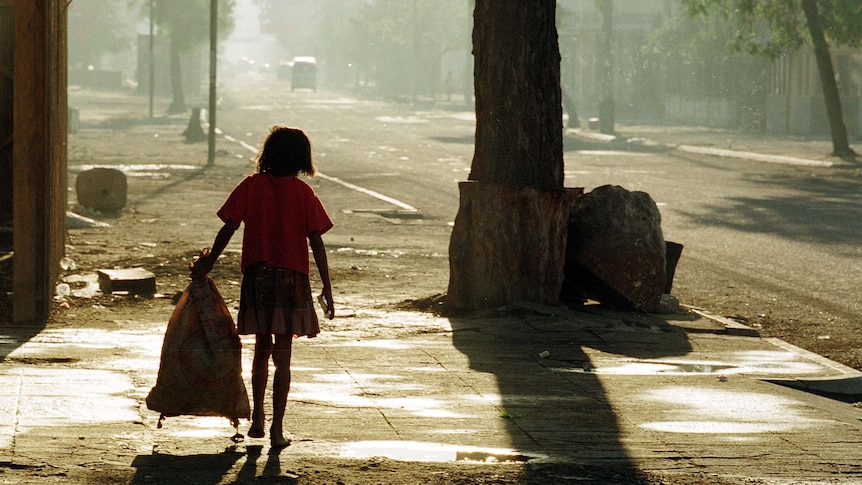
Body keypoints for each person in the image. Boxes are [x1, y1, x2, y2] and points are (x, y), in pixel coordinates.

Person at [191, 125, 334, 449]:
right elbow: (316, 241)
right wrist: (326, 286)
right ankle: (278, 430)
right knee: (283, 358)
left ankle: (258, 419)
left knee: (261, 350)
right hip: (291, 280)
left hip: (258, 278)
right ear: (301, 159)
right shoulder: (303, 193)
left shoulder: (251, 186)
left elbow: (228, 227)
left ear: (267, 154)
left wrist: (209, 263)